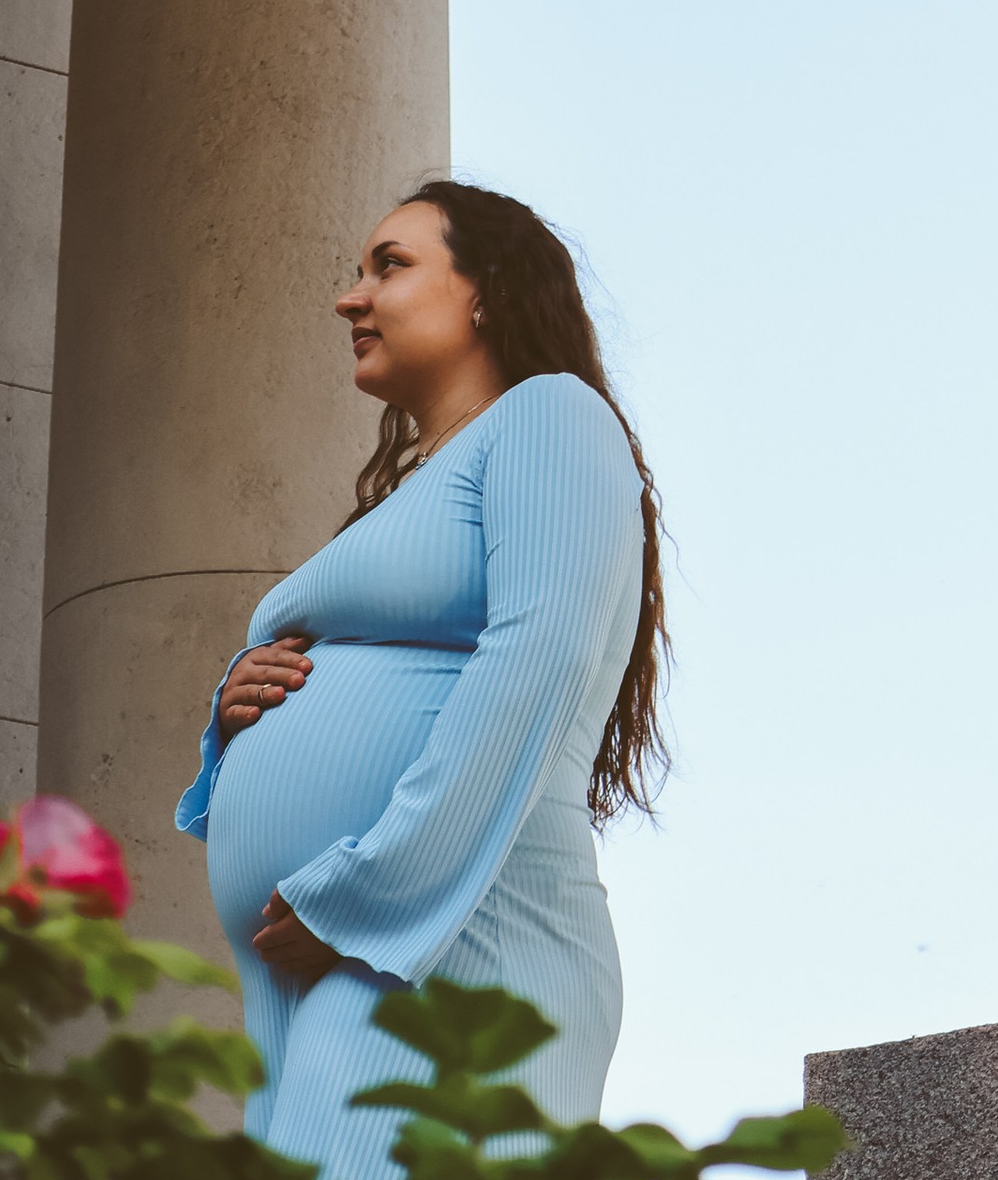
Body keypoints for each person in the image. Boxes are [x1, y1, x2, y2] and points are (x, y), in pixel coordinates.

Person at [176, 180, 668, 1174]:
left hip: (458, 932)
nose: (349, 298)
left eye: (389, 265)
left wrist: (365, 889)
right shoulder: (419, 490)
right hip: (339, 956)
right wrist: (242, 709)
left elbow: (541, 654)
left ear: (484, 289)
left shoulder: (551, 418)